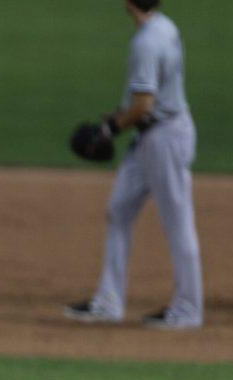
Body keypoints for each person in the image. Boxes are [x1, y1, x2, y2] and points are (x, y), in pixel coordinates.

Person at [66, 0, 204, 329]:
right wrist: (120, 117)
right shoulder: (164, 26)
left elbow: (143, 104)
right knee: (119, 210)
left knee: (177, 222)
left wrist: (109, 129)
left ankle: (188, 310)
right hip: (152, 136)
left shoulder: (147, 42)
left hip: (164, 137)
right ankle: (108, 302)